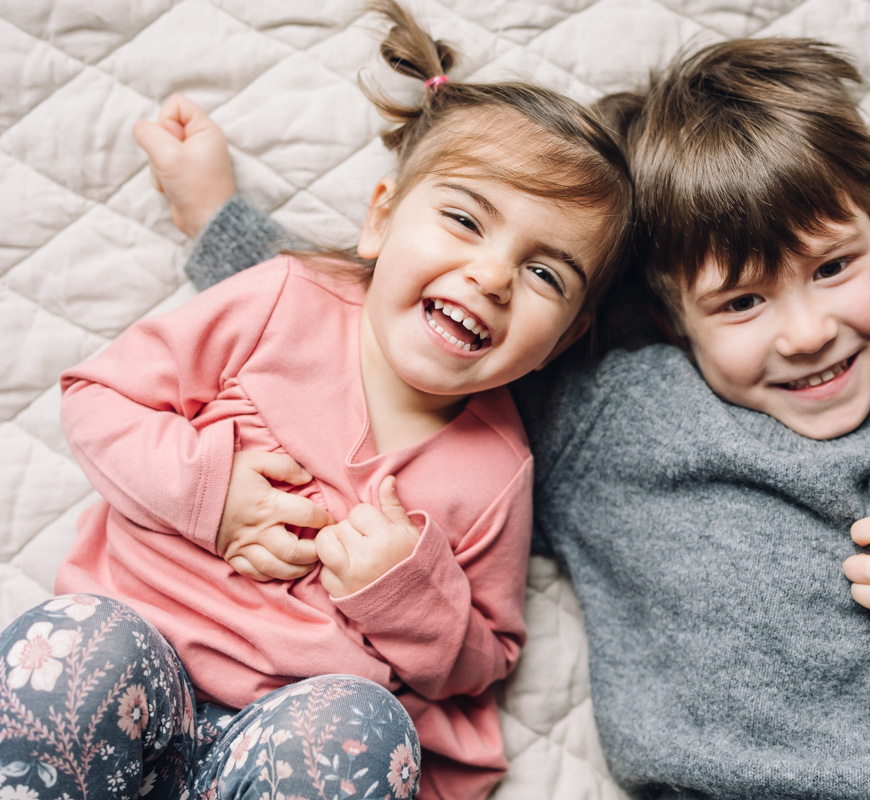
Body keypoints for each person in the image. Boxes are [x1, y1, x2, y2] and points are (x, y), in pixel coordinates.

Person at [107, 33, 870, 800]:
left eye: (835, 267)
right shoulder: (611, 418)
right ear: (672, 315)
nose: (807, 330)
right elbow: (405, 341)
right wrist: (217, 217)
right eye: (742, 301)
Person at [0, 3, 632, 799]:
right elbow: (97, 402)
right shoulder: (282, 301)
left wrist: (407, 590)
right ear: (380, 220)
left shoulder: (497, 468)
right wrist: (210, 493)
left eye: (546, 275)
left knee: (360, 728)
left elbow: (484, 662)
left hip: (290, 733)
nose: (493, 276)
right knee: (72, 646)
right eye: (465, 220)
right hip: (141, 662)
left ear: (566, 339)